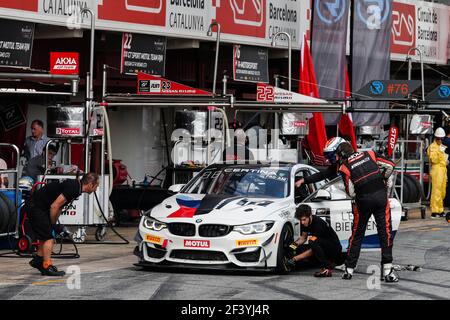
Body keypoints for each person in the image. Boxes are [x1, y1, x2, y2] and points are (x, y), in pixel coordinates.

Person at [336, 142, 399, 282]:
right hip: (380, 197)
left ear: (342, 155)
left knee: (357, 234)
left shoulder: (345, 166)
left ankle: (349, 270)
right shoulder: (369, 153)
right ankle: (388, 270)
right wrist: (382, 177)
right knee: (385, 232)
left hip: (363, 201)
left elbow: (351, 192)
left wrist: (360, 189)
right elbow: (391, 165)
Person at [26, 173, 99, 276]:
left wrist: (54, 225)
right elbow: (54, 206)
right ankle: (47, 266)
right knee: (48, 237)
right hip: (36, 206)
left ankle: (38, 260)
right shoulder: (74, 188)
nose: (95, 189)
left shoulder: (76, 187)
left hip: (40, 206)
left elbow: (59, 207)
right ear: (91, 184)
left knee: (45, 234)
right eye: (96, 186)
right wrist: (52, 225)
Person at [286, 204, 343, 277]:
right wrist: (291, 247)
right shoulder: (306, 223)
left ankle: (327, 267)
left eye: (304, 219)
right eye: (300, 220)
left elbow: (313, 249)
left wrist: (294, 259)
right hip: (324, 246)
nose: (302, 222)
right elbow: (303, 238)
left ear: (310, 216)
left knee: (312, 241)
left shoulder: (318, 224)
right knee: (299, 248)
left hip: (334, 249)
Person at [427, 127, 447, 218]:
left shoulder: (441, 146)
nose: (440, 140)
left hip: (443, 170)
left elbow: (443, 159)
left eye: (441, 138)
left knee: (442, 191)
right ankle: (434, 211)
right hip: (436, 170)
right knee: (436, 191)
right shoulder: (432, 147)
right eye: (439, 138)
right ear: (436, 138)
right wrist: (439, 152)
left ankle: (440, 209)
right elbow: (433, 159)